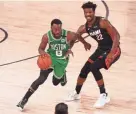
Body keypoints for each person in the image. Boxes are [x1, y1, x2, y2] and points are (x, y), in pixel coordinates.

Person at [66, 1, 121, 108]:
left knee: (94, 67)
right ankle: (76, 93)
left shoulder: (103, 22)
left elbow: (116, 36)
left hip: (113, 50)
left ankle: (104, 95)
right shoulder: (84, 27)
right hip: (101, 49)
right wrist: (82, 44)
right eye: (86, 13)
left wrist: (111, 52)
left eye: (90, 12)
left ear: (94, 12)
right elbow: (75, 37)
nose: (88, 15)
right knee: (85, 69)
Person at [17, 19, 77, 111]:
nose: (57, 31)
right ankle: (24, 99)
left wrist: (70, 47)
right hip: (50, 58)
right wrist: (43, 53)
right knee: (41, 79)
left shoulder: (67, 34)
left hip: (61, 59)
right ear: (51, 28)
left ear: (61, 28)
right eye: (55, 29)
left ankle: (62, 74)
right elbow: (40, 48)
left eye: (59, 29)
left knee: (56, 83)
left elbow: (77, 36)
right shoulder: (46, 36)